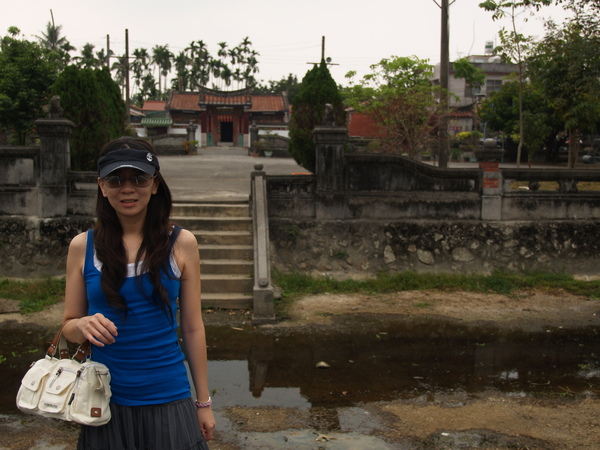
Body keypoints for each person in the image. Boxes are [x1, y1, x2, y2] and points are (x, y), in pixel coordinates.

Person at [62, 137, 216, 449]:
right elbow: (68, 326)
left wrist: (203, 403)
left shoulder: (182, 243)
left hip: (168, 395)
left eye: (139, 178)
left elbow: (192, 327)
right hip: (104, 399)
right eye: (116, 180)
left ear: (155, 184)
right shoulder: (83, 247)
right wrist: (81, 325)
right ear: (102, 187)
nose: (128, 189)